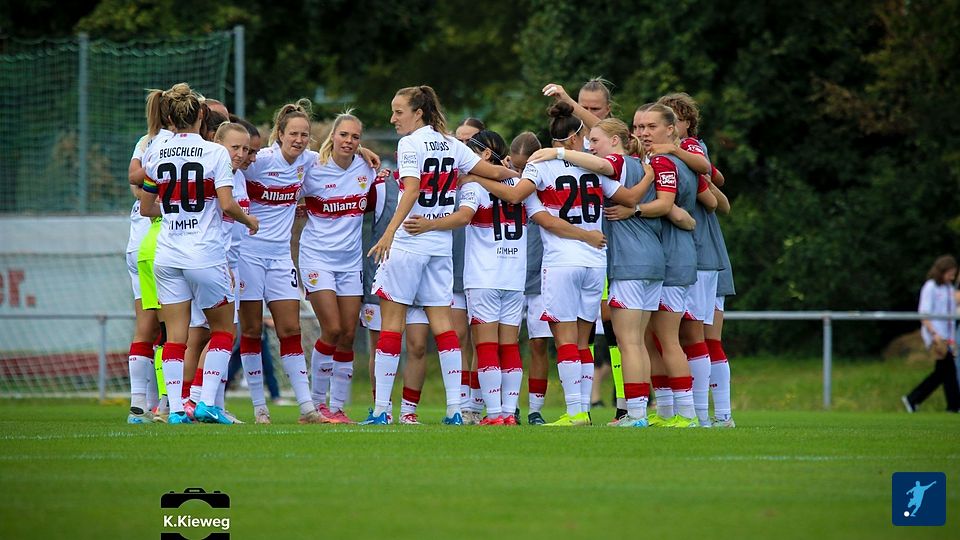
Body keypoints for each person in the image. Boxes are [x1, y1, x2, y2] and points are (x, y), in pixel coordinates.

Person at [474, 102, 652, 426]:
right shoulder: (593, 167)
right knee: (584, 341)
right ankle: (583, 410)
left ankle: (575, 412)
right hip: (595, 262)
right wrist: (650, 174)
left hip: (562, 262)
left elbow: (516, 198)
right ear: (576, 137)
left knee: (565, 340)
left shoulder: (540, 166)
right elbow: (629, 198)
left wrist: (476, 177)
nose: (589, 144)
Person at [366, 85, 519, 425]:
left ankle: (380, 411)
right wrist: (523, 175)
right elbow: (495, 172)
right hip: (440, 246)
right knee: (444, 326)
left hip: (410, 241)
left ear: (418, 112)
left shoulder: (410, 144)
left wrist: (389, 232)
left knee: (392, 324)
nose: (393, 119)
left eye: (398, 111)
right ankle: (454, 410)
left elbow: (412, 189)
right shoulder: (452, 144)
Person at [532, 118, 696, 427]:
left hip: (628, 262)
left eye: (595, 140)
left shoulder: (615, 164)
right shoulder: (642, 165)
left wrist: (557, 152)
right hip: (655, 260)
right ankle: (679, 413)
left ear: (616, 141)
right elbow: (672, 210)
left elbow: (608, 174)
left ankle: (636, 414)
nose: (591, 147)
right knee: (647, 342)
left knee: (629, 342)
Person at [139, 83, 258, 424]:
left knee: (176, 337)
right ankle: (207, 403)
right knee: (223, 330)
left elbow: (147, 207)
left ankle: (176, 409)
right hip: (204, 254)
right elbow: (227, 204)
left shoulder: (155, 151)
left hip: (167, 255)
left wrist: (174, 211)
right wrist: (249, 220)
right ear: (201, 115)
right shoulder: (214, 152)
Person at [239, 99, 320, 424]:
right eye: (293, 134)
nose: (299, 140)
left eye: (304, 134)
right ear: (280, 134)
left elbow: (338, 155)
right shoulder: (260, 161)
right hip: (248, 255)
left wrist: (367, 154)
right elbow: (231, 166)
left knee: (290, 329)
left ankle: (307, 407)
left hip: (280, 257)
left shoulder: (308, 161)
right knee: (251, 329)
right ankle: (260, 408)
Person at [633, 103, 708, 428]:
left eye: (651, 127)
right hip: (666, 254)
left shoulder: (665, 161)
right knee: (654, 338)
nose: (643, 133)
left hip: (673, 256)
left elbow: (669, 206)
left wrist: (636, 209)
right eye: (639, 127)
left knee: (667, 337)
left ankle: (687, 413)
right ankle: (666, 411)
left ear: (671, 129)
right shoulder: (665, 159)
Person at [300, 111, 377, 424]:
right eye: (344, 135)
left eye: (355, 137)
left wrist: (367, 154)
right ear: (333, 136)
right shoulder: (312, 168)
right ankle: (316, 405)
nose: (349, 141)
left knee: (347, 334)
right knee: (331, 329)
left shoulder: (367, 168)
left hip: (350, 262)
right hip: (317, 258)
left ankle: (338, 407)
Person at [124, 88, 170, 423]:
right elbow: (137, 182)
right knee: (174, 328)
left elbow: (135, 182)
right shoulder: (184, 146)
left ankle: (140, 404)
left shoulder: (146, 142)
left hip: (139, 242)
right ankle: (169, 403)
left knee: (147, 326)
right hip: (164, 239)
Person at [510, 132, 552, 426]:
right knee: (507, 343)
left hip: (539, 275)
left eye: (526, 167)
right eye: (517, 166)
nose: (521, 172)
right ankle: (508, 406)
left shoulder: (547, 180)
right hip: (508, 275)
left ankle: (535, 409)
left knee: (539, 344)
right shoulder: (503, 182)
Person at [902, 255, 959, 413]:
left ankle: (915, 399)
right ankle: (915, 399)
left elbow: (951, 315)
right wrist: (933, 334)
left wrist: (952, 339)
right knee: (946, 370)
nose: (952, 277)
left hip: (947, 336)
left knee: (945, 371)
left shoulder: (949, 289)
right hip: (936, 335)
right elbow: (924, 313)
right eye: (950, 273)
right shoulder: (931, 287)